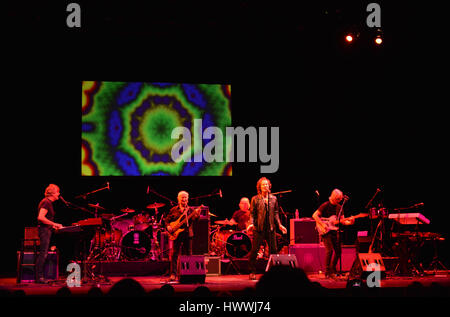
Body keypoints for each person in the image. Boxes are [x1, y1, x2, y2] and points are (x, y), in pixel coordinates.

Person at [248, 177, 287, 280]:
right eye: (263, 184)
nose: (265, 186)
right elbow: (252, 213)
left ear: (269, 186)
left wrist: (279, 225)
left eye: (267, 184)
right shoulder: (255, 199)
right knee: (255, 250)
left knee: (273, 250)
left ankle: (273, 272)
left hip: (270, 228)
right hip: (259, 229)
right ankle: (252, 271)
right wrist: (251, 224)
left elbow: (276, 213)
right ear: (259, 187)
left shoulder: (273, 198)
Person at [312, 189, 354, 278]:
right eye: (338, 199)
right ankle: (327, 271)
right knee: (329, 250)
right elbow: (314, 215)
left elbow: (342, 221)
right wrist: (322, 224)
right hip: (325, 231)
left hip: (334, 231)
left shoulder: (339, 208)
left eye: (340, 199)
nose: (339, 201)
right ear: (334, 198)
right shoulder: (325, 205)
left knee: (338, 251)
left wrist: (350, 222)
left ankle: (332, 269)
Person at [164, 191, 199, 281]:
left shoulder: (191, 210)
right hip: (176, 234)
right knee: (175, 254)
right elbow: (167, 220)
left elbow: (195, 220)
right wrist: (168, 226)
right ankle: (173, 274)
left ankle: (188, 273)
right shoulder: (173, 210)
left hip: (188, 233)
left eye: (185, 198)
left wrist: (197, 215)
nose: (184, 199)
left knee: (188, 254)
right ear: (178, 199)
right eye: (182, 197)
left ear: (188, 199)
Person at [36, 184, 63, 283]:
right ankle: (39, 277)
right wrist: (54, 223)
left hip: (47, 230)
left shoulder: (48, 203)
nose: (59, 194)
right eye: (57, 192)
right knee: (43, 253)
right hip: (44, 231)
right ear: (52, 193)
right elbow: (41, 217)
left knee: (44, 253)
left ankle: (40, 276)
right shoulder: (46, 202)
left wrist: (53, 226)